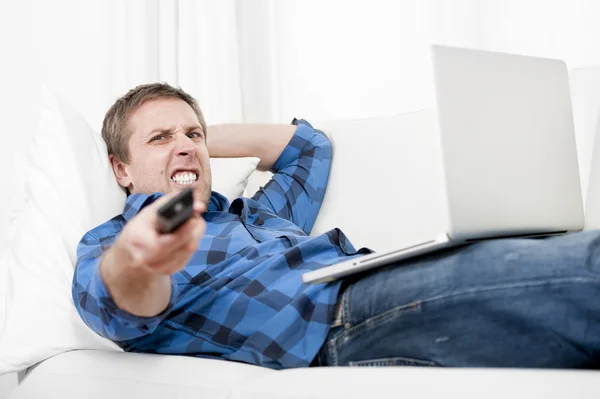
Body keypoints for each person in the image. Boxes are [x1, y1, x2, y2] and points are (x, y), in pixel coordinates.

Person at [72, 83, 600, 370]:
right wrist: (139, 259)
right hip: (334, 319)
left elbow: (309, 149)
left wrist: (192, 141)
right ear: (120, 168)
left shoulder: (255, 211)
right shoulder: (112, 241)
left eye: (193, 133)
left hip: (376, 279)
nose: (185, 144)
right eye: (159, 138)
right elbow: (117, 304)